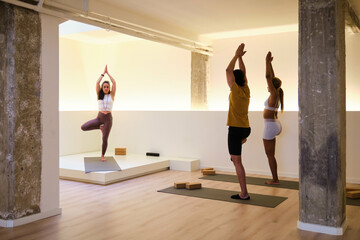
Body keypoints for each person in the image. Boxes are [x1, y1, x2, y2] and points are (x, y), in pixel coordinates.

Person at [226, 43, 251, 200]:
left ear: (234, 80)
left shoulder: (234, 89)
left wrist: (236, 55)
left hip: (235, 129)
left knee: (237, 162)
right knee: (233, 156)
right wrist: (241, 58)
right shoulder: (246, 88)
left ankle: (244, 193)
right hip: (245, 128)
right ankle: (236, 150)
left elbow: (228, 70)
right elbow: (243, 72)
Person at [81, 65, 116, 161]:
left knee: (105, 138)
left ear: (109, 88)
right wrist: (103, 74)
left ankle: (102, 155)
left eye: (107, 87)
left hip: (108, 119)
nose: (106, 88)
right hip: (99, 118)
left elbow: (114, 82)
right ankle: (100, 127)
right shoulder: (99, 95)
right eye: (104, 87)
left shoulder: (111, 95)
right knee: (83, 127)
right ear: (102, 87)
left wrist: (108, 74)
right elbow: (97, 82)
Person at [263, 51, 284, 184]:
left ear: (272, 85)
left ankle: (275, 179)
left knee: (269, 155)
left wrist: (266, 62)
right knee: (271, 154)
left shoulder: (274, 94)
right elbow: (272, 77)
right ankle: (275, 178)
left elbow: (268, 77)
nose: (268, 84)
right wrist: (270, 63)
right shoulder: (276, 93)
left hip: (270, 126)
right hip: (274, 124)